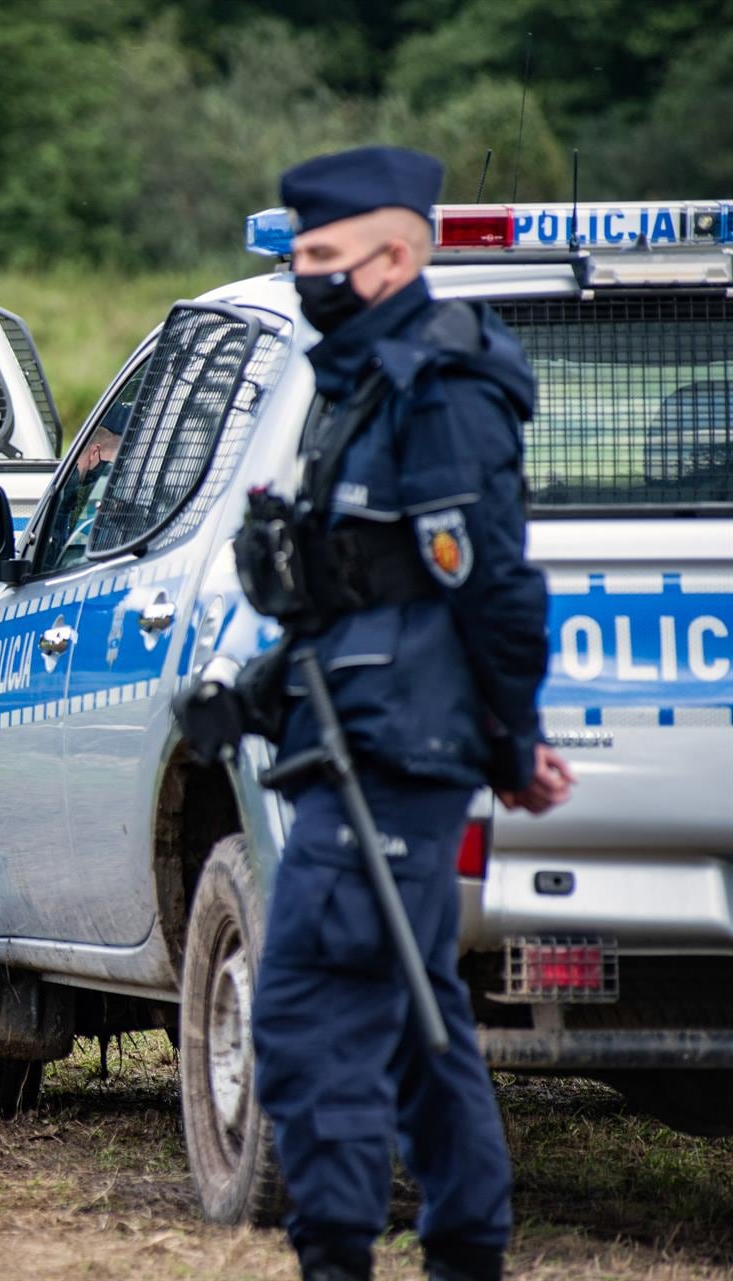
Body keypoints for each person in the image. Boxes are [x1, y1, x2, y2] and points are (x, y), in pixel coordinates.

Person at [244, 147, 576, 1281]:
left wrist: (513, 738)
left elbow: (491, 583)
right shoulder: (360, 381)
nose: (308, 277)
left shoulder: (442, 386)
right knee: (413, 1007)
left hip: (399, 740)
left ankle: (340, 1253)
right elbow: (355, 576)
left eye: (326, 257)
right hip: (350, 725)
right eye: (300, 259)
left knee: (310, 1007)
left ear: (398, 257)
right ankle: (464, 1247)